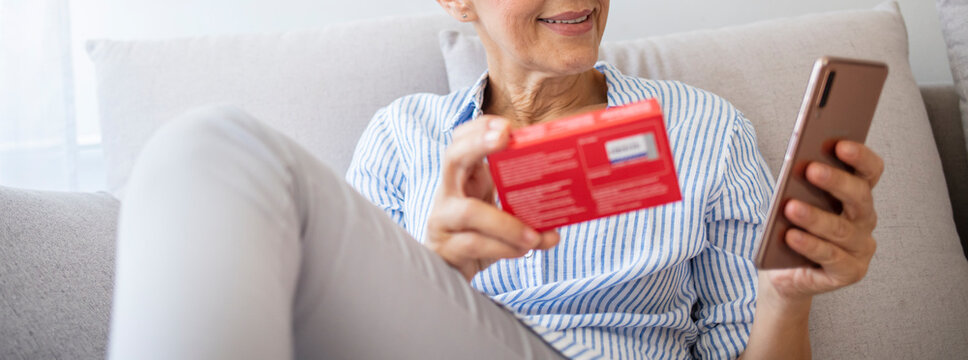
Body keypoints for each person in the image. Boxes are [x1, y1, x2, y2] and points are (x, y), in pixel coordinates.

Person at [108, 0, 883, 359]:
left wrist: (785, 299)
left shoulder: (705, 130)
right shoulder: (402, 138)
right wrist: (434, 274)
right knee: (207, 147)